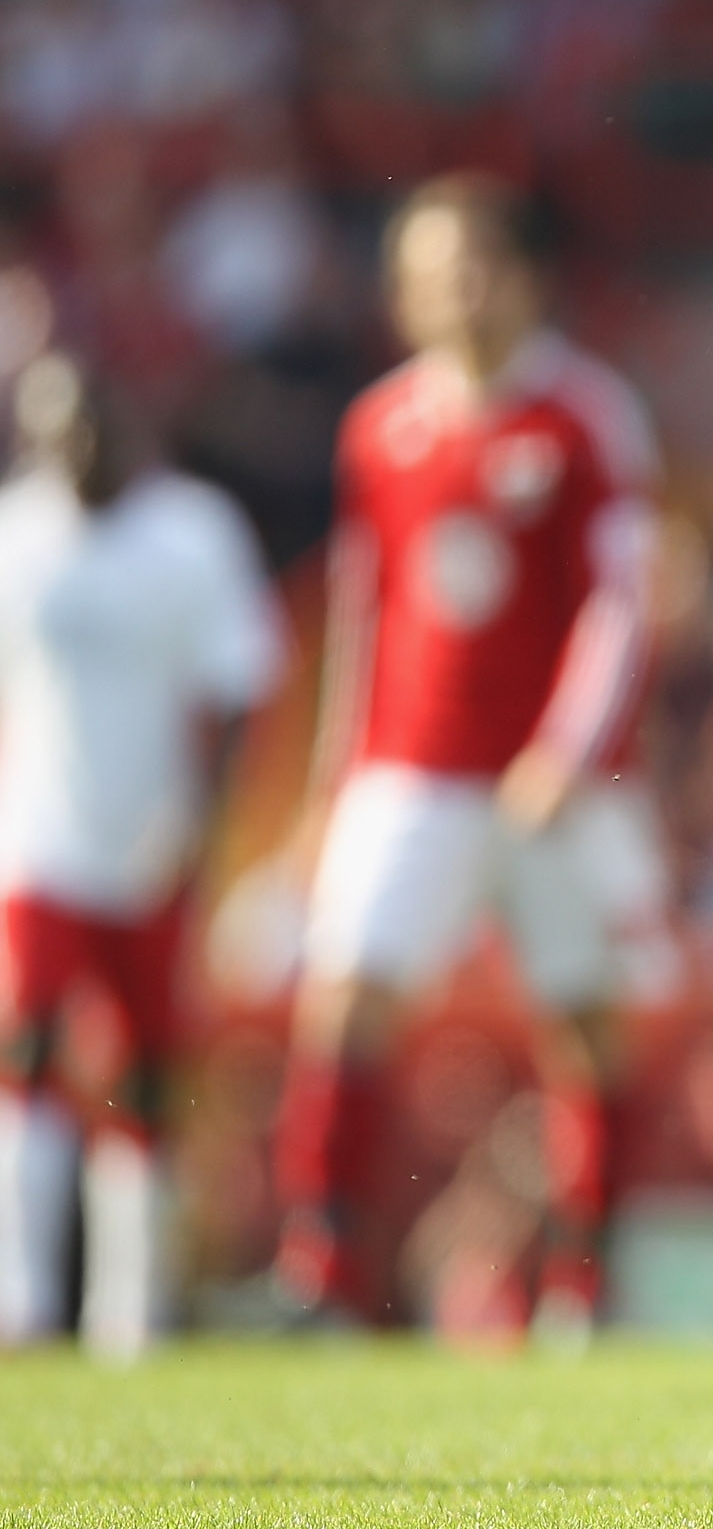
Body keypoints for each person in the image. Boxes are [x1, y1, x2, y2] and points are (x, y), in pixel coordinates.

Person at [266, 173, 666, 1345]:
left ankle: (585, 1287)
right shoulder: (380, 427)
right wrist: (328, 782)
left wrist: (567, 751)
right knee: (342, 1000)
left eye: (475, 262)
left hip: (550, 788)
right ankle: (323, 1270)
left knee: (585, 1025)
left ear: (526, 272)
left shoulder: (584, 415)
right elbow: (362, 612)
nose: (454, 288)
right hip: (410, 769)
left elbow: (622, 603)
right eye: (430, 269)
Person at [0, 354, 282, 1360]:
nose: (76, 452)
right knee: (27, 1050)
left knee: (144, 1072)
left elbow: (243, 682)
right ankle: (23, 1299)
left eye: (91, 430)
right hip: (37, 840)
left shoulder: (192, 535)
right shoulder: (18, 534)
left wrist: (204, 820)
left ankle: (131, 1311)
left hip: (152, 841)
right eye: (55, 433)